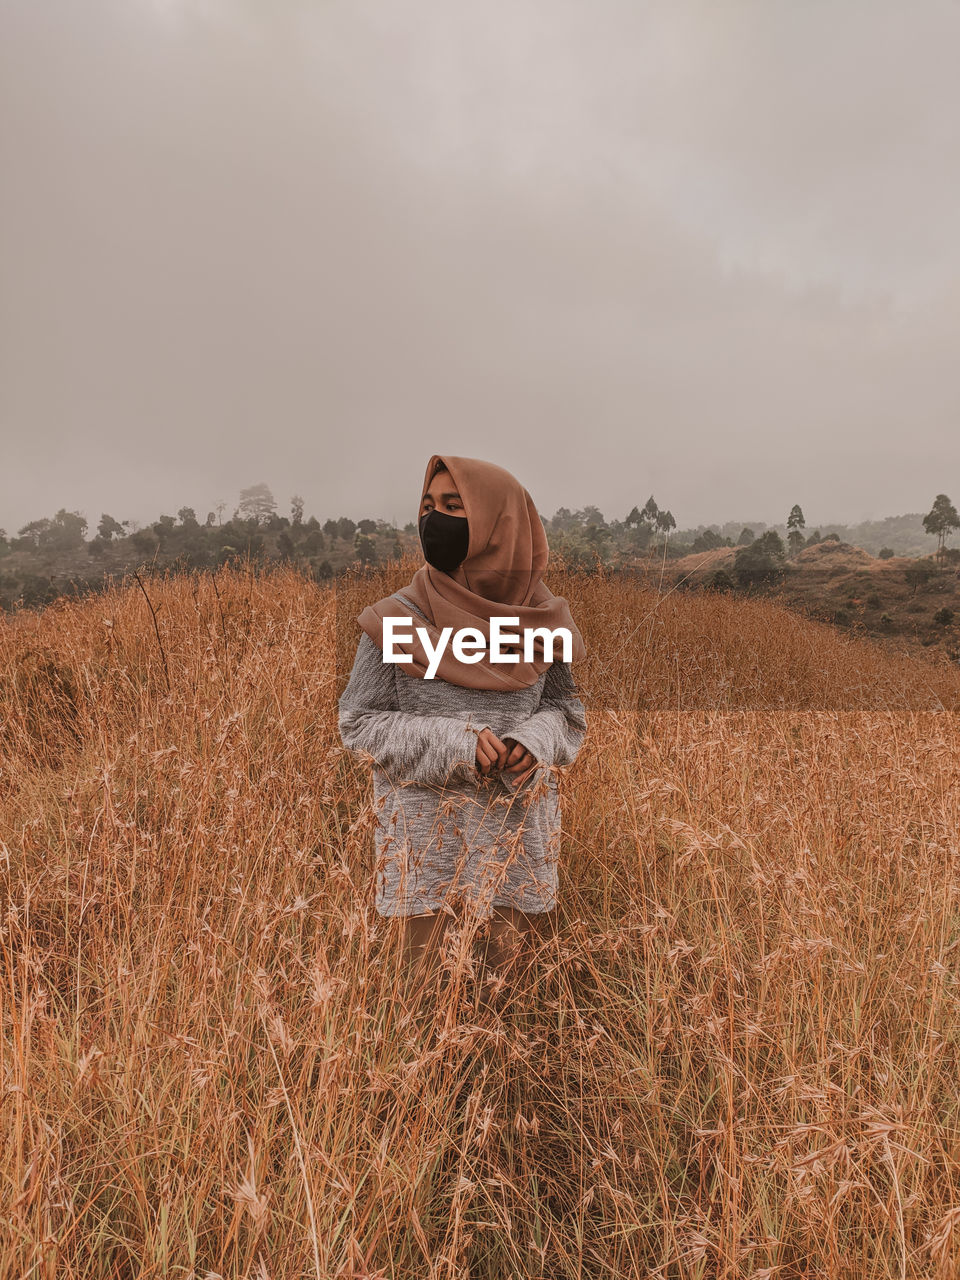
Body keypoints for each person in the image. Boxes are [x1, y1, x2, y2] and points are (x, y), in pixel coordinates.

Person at [337, 454, 587, 1015]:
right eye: (428, 507)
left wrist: (536, 740)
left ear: (502, 525)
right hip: (426, 845)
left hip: (513, 835)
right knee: (424, 1010)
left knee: (506, 1007)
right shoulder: (397, 619)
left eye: (455, 507)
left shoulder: (544, 623)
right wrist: (457, 744)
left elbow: (567, 711)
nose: (435, 521)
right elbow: (358, 722)